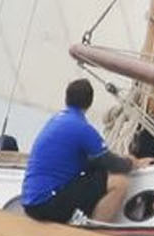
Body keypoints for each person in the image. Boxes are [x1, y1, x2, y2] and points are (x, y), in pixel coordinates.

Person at [21, 79, 133, 224]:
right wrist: (132, 163)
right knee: (119, 183)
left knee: (98, 175)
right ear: (90, 102)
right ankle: (94, 231)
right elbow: (110, 162)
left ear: (66, 98)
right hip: (48, 203)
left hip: (30, 203)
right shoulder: (81, 128)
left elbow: (90, 162)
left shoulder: (56, 121)